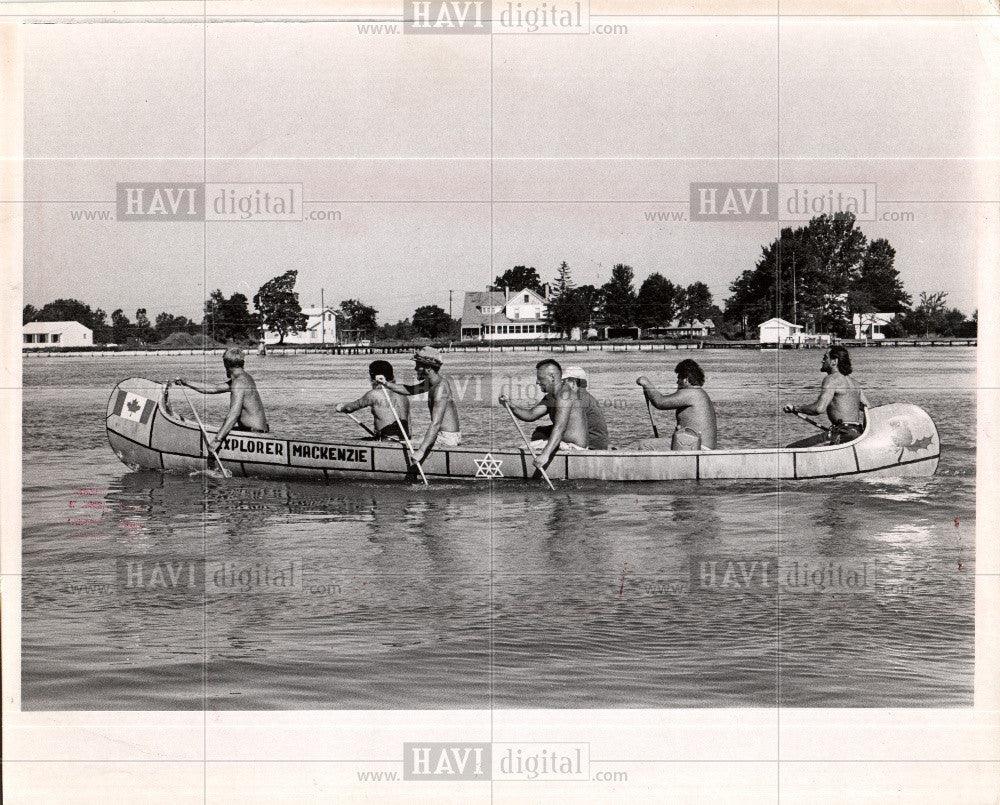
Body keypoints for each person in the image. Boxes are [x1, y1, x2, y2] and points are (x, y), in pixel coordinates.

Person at [174, 347, 268, 453]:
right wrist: (186, 382)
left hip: (255, 436)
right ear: (242, 363)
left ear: (226, 364)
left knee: (218, 434)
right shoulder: (245, 378)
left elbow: (234, 414)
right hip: (255, 432)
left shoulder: (239, 383)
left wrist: (217, 439)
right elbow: (213, 388)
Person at [499, 358, 588, 469]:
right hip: (563, 445)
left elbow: (560, 428)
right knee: (529, 443)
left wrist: (545, 455)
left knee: (525, 449)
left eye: (540, 378)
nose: (537, 382)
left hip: (574, 449)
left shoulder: (565, 394)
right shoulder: (550, 397)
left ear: (552, 377)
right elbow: (530, 415)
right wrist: (510, 405)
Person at [379, 346, 460, 461]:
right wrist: (386, 383)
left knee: (407, 445)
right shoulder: (431, 383)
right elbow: (409, 390)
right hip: (441, 436)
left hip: (447, 439)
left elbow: (436, 423)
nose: (415, 369)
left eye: (418, 366)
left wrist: (421, 451)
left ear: (428, 368)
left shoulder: (440, 388)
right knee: (405, 442)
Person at [783, 345, 871, 444]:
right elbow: (869, 409)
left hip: (842, 434)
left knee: (793, 448)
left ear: (834, 361)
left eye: (825, 357)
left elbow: (819, 409)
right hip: (857, 434)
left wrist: (795, 408)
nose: (822, 361)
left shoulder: (831, 379)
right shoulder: (854, 383)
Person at [634, 358, 717, 451]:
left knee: (645, 445)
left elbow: (660, 402)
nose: (677, 382)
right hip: (697, 445)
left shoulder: (691, 392)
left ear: (685, 379)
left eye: (678, 379)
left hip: (697, 446)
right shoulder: (700, 393)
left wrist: (646, 383)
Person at [335, 360, 410, 441]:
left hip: (385, 441)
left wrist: (341, 408)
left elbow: (349, 408)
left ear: (373, 377)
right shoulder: (403, 395)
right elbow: (409, 425)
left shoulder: (374, 394)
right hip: (405, 440)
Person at [562, 366, 610, 450]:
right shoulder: (587, 397)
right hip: (598, 445)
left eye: (564, 382)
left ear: (573, 383)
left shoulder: (578, 400)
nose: (562, 386)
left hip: (590, 447)